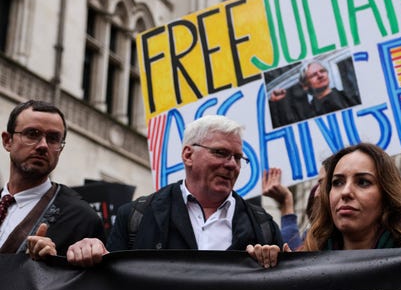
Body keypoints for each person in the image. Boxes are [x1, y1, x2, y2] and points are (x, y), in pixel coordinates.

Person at [30, 115, 283, 266]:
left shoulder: (264, 226)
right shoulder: (135, 217)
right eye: (221, 153)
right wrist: (86, 252)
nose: (231, 164)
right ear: (188, 154)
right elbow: (108, 287)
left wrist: (273, 261)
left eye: (238, 158)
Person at [248, 143, 401, 267]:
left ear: (387, 194)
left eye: (363, 182)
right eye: (337, 182)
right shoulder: (306, 259)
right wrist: (273, 269)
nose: (345, 192)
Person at [0, 100, 104, 258]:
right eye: (32, 134)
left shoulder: (81, 218)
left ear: (60, 149)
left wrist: (50, 267)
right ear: (8, 141)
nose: (43, 145)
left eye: (53, 139)